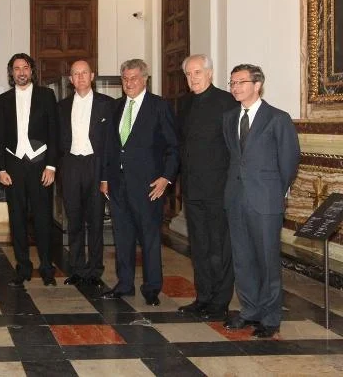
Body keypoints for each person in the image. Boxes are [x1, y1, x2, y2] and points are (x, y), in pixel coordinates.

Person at [222, 64, 300, 338]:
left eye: (241, 82)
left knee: (267, 261)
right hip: (236, 199)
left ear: (257, 85)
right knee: (242, 260)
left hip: (265, 201)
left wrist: (274, 192)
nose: (235, 87)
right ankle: (250, 310)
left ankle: (270, 317)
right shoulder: (229, 118)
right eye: (232, 83)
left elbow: (289, 163)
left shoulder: (277, 118)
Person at [101, 59, 179, 306]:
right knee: (122, 236)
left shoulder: (159, 106)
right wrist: (104, 177)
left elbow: (173, 147)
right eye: (125, 78)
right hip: (117, 184)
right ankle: (124, 284)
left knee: (149, 238)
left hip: (148, 186)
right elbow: (109, 147)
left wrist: (166, 178)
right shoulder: (115, 107)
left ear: (145, 79)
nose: (129, 83)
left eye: (134, 78)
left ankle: (152, 288)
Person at [176, 55, 237, 320]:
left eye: (198, 72)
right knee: (198, 246)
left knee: (219, 248)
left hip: (219, 188)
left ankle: (220, 301)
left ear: (210, 73)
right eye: (189, 74)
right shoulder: (185, 103)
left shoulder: (226, 102)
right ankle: (203, 297)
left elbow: (235, 148)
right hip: (192, 189)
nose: (193, 78)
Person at [0, 53, 59, 287]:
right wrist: (1, 168)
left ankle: (46, 267)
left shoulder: (46, 95)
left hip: (40, 165)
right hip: (13, 167)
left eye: (25, 67)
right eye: (16, 68)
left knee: (43, 219)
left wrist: (52, 165)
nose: (21, 72)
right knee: (17, 219)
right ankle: (23, 268)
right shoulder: (2, 100)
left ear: (32, 71)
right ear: (11, 73)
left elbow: (54, 132)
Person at [57, 60, 114, 289]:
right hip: (71, 165)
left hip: (95, 165)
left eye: (84, 73)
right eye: (75, 74)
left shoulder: (107, 104)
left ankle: (95, 270)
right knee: (74, 220)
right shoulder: (61, 106)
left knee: (96, 220)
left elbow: (111, 142)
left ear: (92, 76)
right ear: (70, 79)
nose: (80, 77)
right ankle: (78, 269)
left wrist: (106, 176)